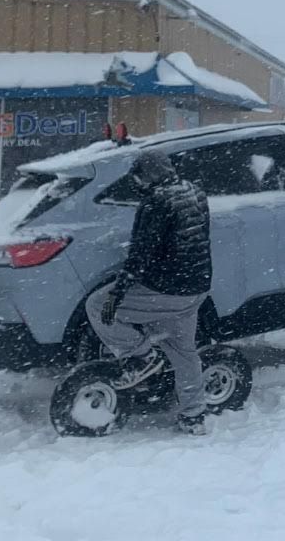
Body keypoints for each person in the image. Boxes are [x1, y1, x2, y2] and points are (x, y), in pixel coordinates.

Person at [84, 150, 213, 435]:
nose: (138, 184)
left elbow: (141, 254)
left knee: (96, 305)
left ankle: (142, 355)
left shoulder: (156, 202)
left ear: (147, 176)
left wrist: (117, 294)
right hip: (197, 288)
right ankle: (194, 416)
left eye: (139, 178)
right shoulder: (195, 192)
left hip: (166, 288)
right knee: (183, 352)